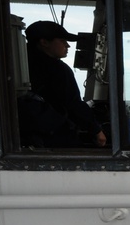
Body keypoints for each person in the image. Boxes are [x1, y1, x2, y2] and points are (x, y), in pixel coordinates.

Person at [20, 20, 106, 148]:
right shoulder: (57, 69)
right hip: (52, 136)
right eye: (62, 41)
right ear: (44, 42)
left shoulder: (20, 64)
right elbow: (73, 104)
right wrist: (96, 130)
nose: (68, 45)